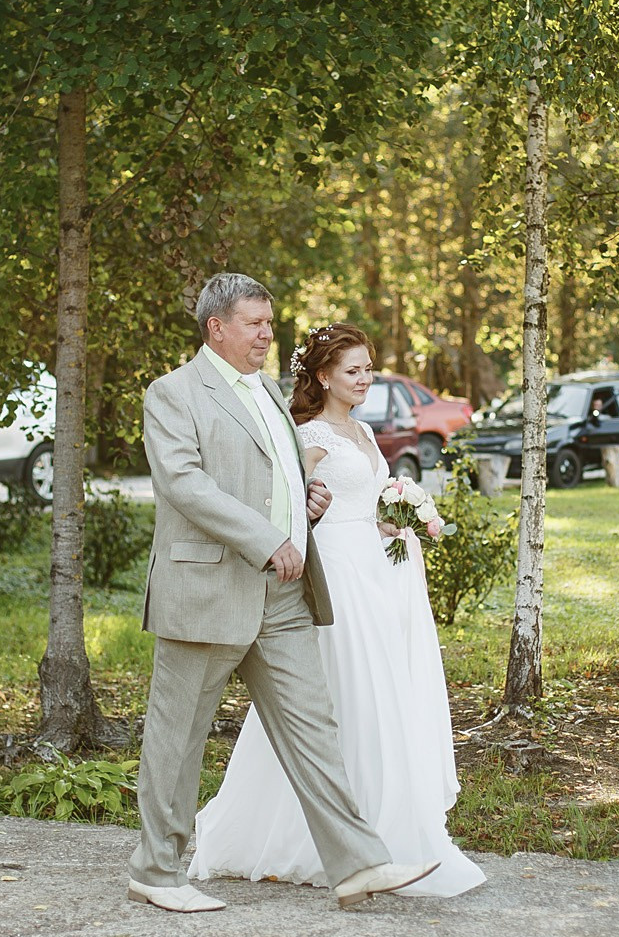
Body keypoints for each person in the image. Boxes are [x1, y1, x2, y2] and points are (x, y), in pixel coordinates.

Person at [127, 274, 438, 913]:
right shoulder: (173, 393)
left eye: (270, 323)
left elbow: (283, 475)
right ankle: (157, 872)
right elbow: (184, 484)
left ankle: (357, 864)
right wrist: (269, 537)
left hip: (283, 595)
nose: (267, 334)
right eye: (254, 323)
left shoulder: (270, 392)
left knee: (313, 728)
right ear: (217, 327)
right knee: (178, 738)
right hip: (207, 590)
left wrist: (307, 500)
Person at [190, 322, 485, 898]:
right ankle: (340, 838)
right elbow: (288, 504)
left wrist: (395, 520)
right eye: (353, 371)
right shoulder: (310, 434)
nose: (365, 379)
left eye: (369, 368)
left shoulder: (365, 431)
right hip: (341, 574)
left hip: (379, 572)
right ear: (323, 376)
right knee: (349, 691)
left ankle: (375, 824)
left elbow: (365, 500)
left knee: (382, 692)